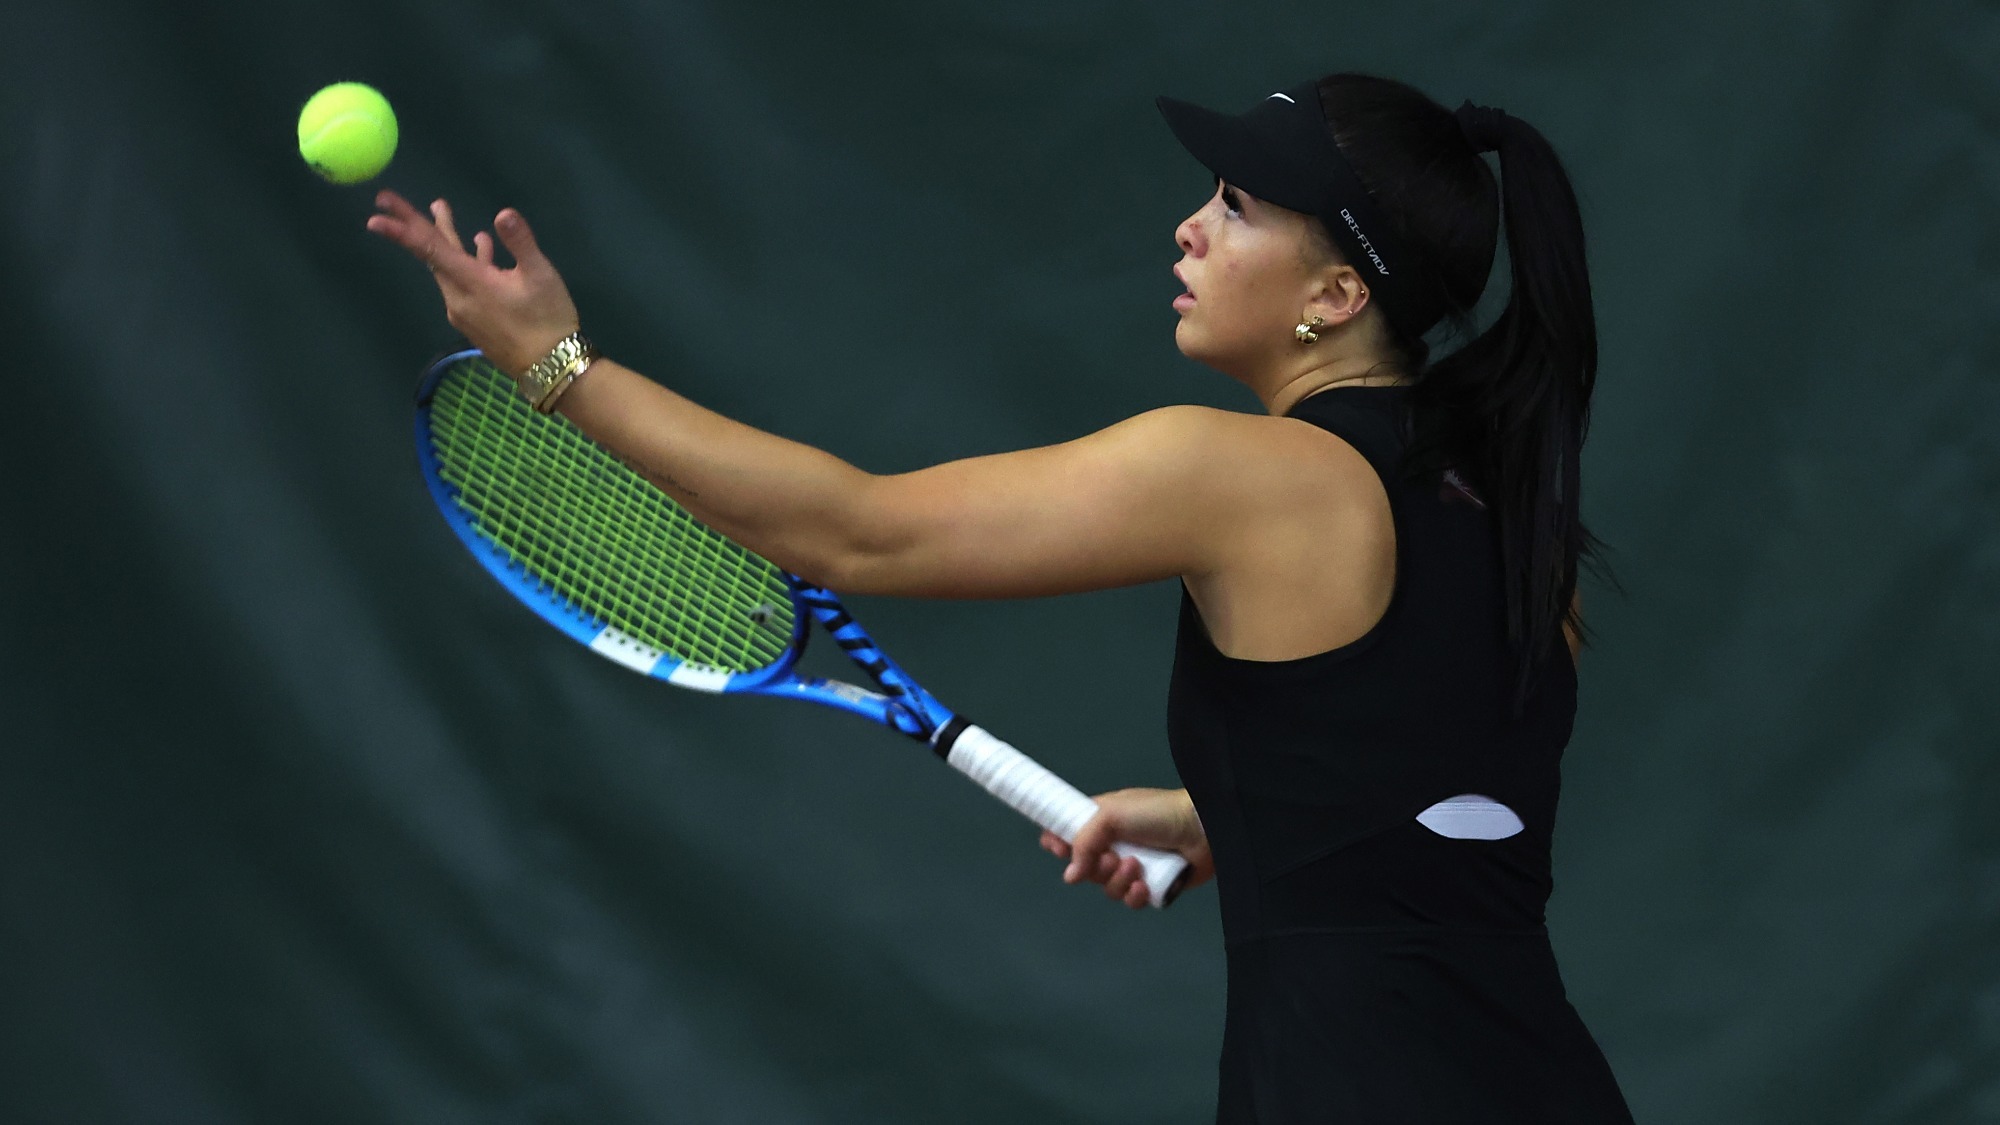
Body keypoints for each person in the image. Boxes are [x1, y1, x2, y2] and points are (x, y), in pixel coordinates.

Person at [369, 70, 1632, 1123]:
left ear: (1336, 296)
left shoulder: (1239, 473)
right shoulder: (1510, 520)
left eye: (1237, 207)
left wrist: (557, 365)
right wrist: (1222, 818)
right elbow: (1433, 800)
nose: (1189, 228)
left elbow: (849, 534)